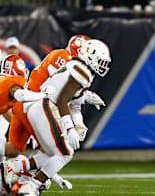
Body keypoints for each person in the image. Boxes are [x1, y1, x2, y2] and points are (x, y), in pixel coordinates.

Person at [1, 39, 111, 195]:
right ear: (89, 56)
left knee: (47, 152)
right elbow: (62, 100)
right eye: (100, 61)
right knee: (65, 153)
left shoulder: (78, 68)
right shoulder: (79, 70)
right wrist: (70, 127)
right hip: (43, 106)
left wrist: (79, 123)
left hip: (39, 105)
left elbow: (73, 102)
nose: (102, 66)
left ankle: (18, 173)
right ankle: (30, 186)